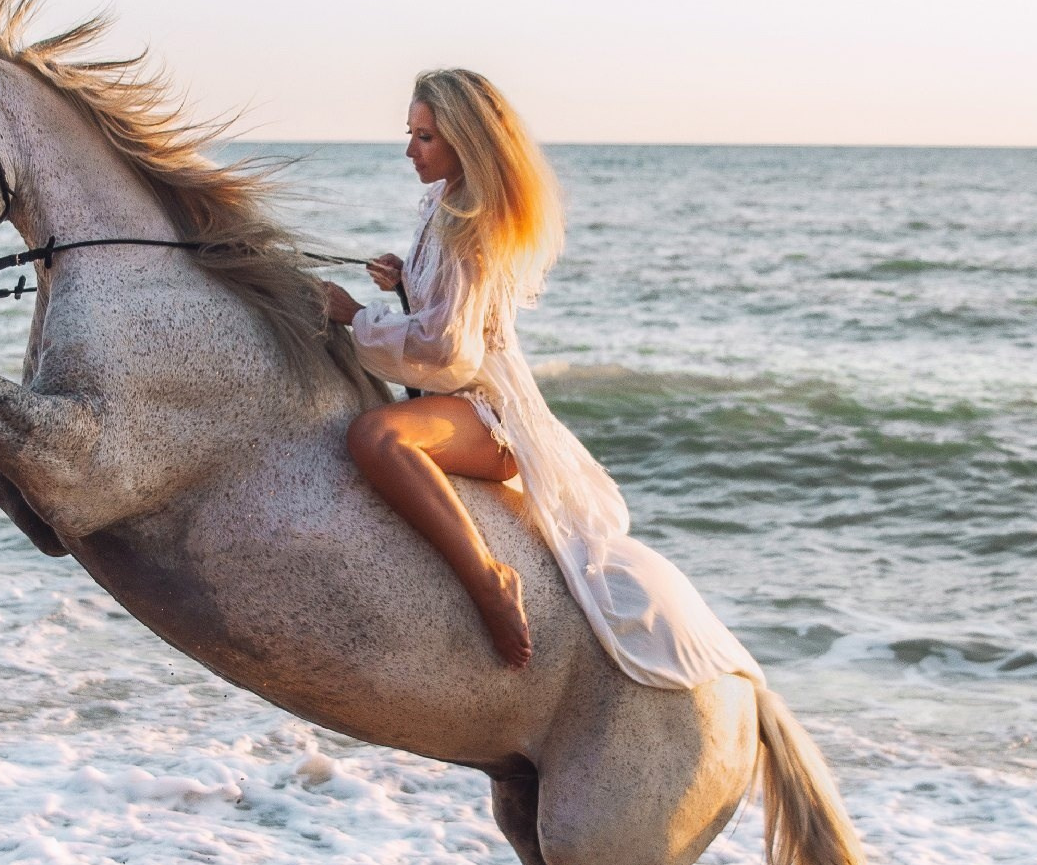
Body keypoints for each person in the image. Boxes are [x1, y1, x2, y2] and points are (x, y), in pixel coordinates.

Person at [318, 69, 761, 688]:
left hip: (487, 408)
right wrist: (404, 283)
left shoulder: (469, 220)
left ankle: (489, 582)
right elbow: (451, 313)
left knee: (377, 437)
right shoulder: (443, 204)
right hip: (459, 395)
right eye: (410, 133)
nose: (410, 150)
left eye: (426, 137)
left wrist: (355, 316)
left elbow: (450, 349)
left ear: (466, 141)